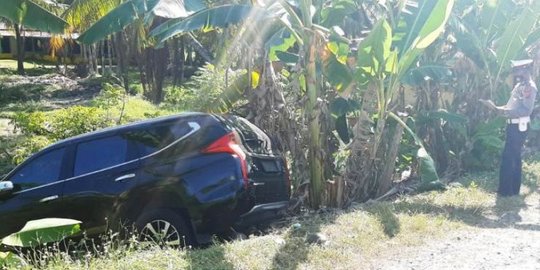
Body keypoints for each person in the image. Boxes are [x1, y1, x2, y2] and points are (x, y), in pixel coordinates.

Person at [480, 59, 537, 196]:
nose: (516, 72)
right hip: (513, 125)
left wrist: (503, 112)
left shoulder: (529, 87)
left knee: (509, 157)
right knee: (513, 157)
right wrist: (495, 108)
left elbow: (525, 110)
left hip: (519, 126)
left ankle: (507, 191)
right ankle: (511, 190)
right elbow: (510, 106)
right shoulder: (519, 86)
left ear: (525, 70)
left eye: (518, 70)